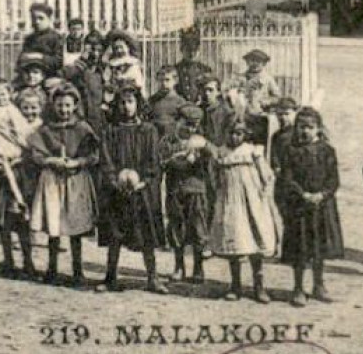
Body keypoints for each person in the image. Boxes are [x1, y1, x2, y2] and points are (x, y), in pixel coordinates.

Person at [94, 82, 169, 294]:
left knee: (146, 234)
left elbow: (153, 161)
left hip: (142, 191)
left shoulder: (148, 131)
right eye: (122, 103)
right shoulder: (110, 131)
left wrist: (144, 181)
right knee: (115, 235)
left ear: (138, 103)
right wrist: (114, 181)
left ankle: (152, 278)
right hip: (117, 191)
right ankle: (110, 277)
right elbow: (105, 160)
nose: (126, 107)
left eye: (130, 102)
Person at [26, 84, 100, 288]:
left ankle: (78, 270)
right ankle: (52, 269)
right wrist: (51, 161)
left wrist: (77, 162)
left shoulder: (83, 128)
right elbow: (36, 154)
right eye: (60, 105)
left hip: (76, 179)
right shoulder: (46, 129)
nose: (64, 110)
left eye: (68, 105)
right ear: (53, 105)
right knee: (54, 225)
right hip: (52, 180)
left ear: (75, 106)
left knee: (75, 227)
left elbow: (94, 155)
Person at [208, 117, 279, 302]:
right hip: (231, 203)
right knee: (235, 243)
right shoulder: (221, 153)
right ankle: (236, 285)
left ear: (245, 134)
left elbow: (267, 176)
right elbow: (214, 177)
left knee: (255, 241)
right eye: (231, 133)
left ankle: (259, 285)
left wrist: (263, 194)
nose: (234, 137)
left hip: (252, 203)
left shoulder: (252, 152)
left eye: (238, 133)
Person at [276, 107, 343, 306]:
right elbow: (287, 178)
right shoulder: (290, 150)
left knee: (319, 248)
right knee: (300, 248)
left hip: (322, 208)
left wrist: (322, 195)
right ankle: (298, 288)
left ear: (318, 129)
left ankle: (319, 285)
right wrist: (303, 194)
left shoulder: (327, 150)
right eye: (301, 127)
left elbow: (333, 179)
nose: (305, 131)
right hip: (299, 208)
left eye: (310, 127)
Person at [0, 78, 37, 276]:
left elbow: (24, 134)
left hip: (20, 170)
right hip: (2, 170)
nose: (0, 98)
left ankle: (28, 260)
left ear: (10, 94)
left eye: (3, 94)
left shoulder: (14, 110)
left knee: (23, 216)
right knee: (5, 219)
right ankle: (8, 260)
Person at [160, 105, 213, 284]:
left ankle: (198, 268)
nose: (191, 129)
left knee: (198, 228)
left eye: (195, 125)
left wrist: (204, 146)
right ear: (178, 121)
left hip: (196, 190)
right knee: (176, 228)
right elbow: (162, 162)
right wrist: (179, 160)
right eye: (188, 124)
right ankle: (179, 266)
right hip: (175, 190)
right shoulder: (169, 141)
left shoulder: (200, 140)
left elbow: (215, 156)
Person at [233, 49, 283, 123]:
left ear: (264, 64)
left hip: (259, 114)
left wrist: (266, 101)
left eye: (258, 61)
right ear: (247, 62)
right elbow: (231, 93)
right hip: (241, 115)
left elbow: (277, 97)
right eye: (252, 60)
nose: (255, 64)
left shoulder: (268, 79)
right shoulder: (240, 78)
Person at [21, 2, 65, 77]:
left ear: (49, 19)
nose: (36, 22)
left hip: (51, 76)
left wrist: (39, 56)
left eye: (41, 18)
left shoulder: (56, 38)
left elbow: (59, 62)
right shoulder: (29, 38)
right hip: (29, 77)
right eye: (33, 18)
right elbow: (22, 59)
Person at [149, 65, 189, 141]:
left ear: (175, 81)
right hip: (154, 139)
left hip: (172, 140)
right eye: (161, 80)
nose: (164, 83)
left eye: (167, 80)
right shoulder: (152, 100)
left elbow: (184, 124)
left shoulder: (180, 101)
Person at [200, 77, 238, 148]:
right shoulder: (201, 109)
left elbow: (225, 140)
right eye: (205, 90)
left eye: (210, 90)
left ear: (218, 92)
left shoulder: (227, 112)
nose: (207, 93)